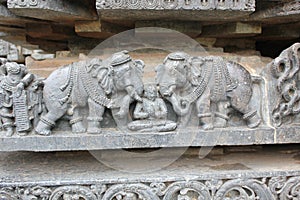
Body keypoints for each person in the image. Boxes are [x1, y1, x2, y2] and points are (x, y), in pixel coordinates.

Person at [0, 61, 33, 136]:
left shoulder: (22, 68)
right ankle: (9, 128)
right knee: (4, 109)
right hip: (5, 90)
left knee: (21, 109)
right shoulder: (3, 67)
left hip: (19, 90)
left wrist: (23, 83)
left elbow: (30, 75)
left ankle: (22, 128)